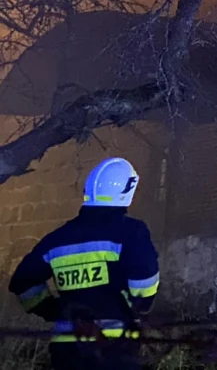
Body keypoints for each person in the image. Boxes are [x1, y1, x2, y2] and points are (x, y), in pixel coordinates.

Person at [8, 157, 159, 370]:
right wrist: (140, 305)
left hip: (66, 348)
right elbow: (144, 281)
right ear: (128, 190)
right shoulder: (130, 232)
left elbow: (22, 282)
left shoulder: (57, 239)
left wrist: (52, 310)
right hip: (113, 346)